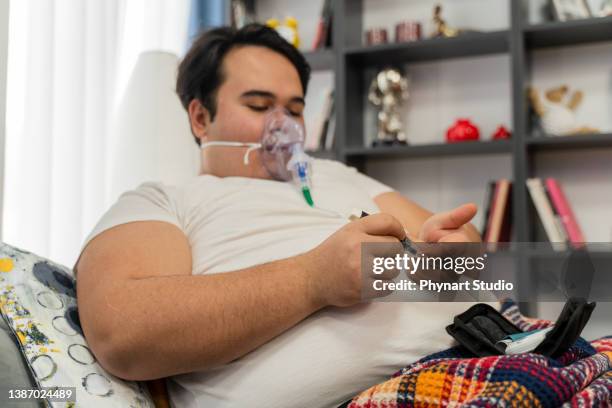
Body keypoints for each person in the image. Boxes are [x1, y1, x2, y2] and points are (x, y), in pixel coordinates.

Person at [75, 23, 482, 408]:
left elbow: (468, 250)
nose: (283, 125)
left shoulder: (337, 175)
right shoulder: (163, 201)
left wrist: (453, 252)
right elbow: (124, 333)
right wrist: (312, 279)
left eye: (295, 109)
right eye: (259, 105)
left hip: (488, 350)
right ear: (200, 118)